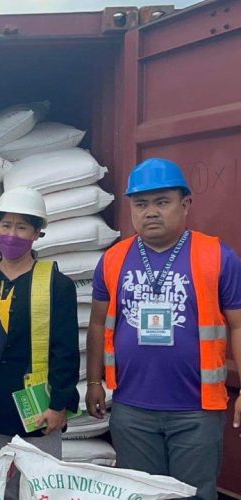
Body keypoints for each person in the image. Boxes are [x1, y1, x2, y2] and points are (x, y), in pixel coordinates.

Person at [86, 158, 241, 500]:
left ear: (185, 204)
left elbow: (238, 324)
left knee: (194, 494)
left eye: (162, 202)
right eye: (141, 204)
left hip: (197, 410)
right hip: (132, 408)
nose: (151, 212)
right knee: (141, 494)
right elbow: (97, 323)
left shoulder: (218, 256)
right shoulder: (113, 259)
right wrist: (94, 382)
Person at [0, 186, 79, 500]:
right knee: (1, 485)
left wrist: (59, 404)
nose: (11, 234)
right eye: (6, 225)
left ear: (37, 233)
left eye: (22, 227)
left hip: (38, 406)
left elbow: (65, 349)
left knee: (42, 487)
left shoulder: (56, 284)